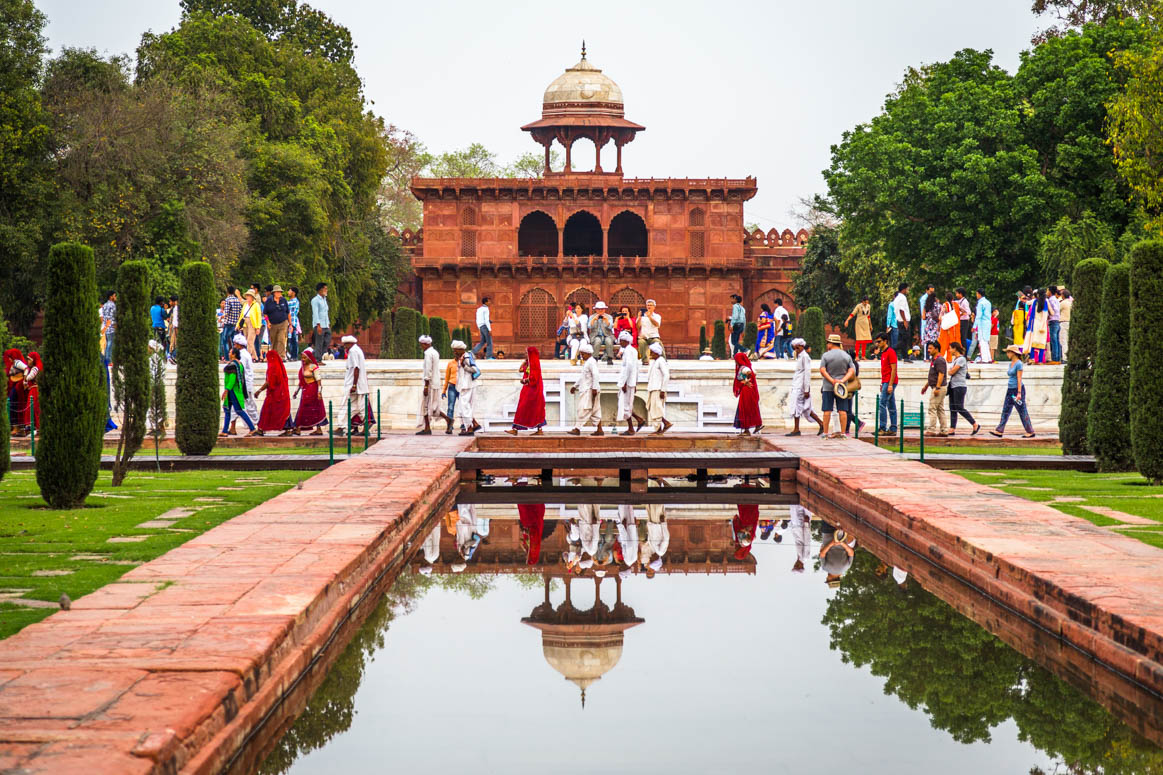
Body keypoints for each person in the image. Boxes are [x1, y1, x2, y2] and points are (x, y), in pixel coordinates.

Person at [991, 344, 1035, 438]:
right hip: (1010, 389)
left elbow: (1019, 378)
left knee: (1022, 410)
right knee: (1006, 409)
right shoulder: (1011, 363)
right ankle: (1000, 430)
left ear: (1013, 353)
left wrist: (1019, 393)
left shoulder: (1019, 364)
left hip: (1016, 390)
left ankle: (1030, 431)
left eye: (1008, 352)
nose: (1007, 354)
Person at [818, 334, 855, 438]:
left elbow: (822, 370)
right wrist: (842, 380)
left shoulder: (826, 355)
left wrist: (832, 380)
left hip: (828, 386)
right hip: (842, 388)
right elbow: (851, 370)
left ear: (830, 343)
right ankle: (843, 433)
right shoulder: (846, 356)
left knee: (827, 410)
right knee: (842, 410)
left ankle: (825, 433)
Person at [787, 338, 823, 436]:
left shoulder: (805, 357)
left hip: (801, 387)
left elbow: (807, 373)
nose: (796, 350)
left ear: (802, 346)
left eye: (797, 348)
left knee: (798, 407)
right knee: (804, 407)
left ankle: (796, 429)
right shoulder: (800, 356)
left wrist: (806, 389)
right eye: (795, 348)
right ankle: (821, 423)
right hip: (797, 384)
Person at [253, 346, 292, 436]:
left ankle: (261, 429)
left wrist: (259, 390)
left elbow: (269, 382)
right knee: (283, 411)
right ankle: (288, 429)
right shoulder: (278, 366)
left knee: (267, 410)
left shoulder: (273, 367)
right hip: (282, 393)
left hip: (275, 394)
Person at [508, 346, 546, 434]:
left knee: (526, 408)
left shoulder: (534, 364)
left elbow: (534, 378)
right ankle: (537, 429)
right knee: (532, 408)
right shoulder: (529, 363)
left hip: (532, 391)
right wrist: (524, 361)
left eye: (527, 353)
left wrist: (524, 380)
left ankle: (515, 429)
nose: (525, 354)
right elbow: (520, 370)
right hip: (528, 389)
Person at [945, 341, 979, 436]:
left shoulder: (961, 359)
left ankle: (974, 423)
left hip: (959, 386)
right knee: (952, 408)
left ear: (955, 349)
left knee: (959, 407)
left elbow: (952, 372)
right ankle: (952, 428)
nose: (949, 350)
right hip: (953, 386)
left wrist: (950, 371)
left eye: (950, 348)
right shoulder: (955, 359)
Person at [219, 348, 255, 437]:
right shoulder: (239, 364)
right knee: (227, 409)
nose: (229, 353)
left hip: (233, 391)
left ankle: (252, 428)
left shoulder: (232, 365)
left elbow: (232, 379)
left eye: (230, 352)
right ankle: (224, 430)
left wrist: (226, 390)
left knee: (238, 410)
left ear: (234, 354)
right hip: (236, 390)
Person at [569, 342, 602, 436]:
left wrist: (594, 388)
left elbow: (596, 375)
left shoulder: (591, 362)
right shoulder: (588, 363)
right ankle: (600, 430)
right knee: (595, 410)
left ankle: (577, 428)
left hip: (590, 390)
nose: (581, 356)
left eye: (583, 354)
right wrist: (575, 386)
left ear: (588, 353)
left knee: (582, 409)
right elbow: (582, 377)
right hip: (588, 389)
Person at [342, 335, 373, 435]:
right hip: (359, 384)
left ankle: (365, 428)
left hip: (357, 385)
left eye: (345, 345)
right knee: (357, 407)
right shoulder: (356, 350)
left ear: (350, 343)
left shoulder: (353, 351)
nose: (345, 347)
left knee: (360, 407)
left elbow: (356, 368)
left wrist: (354, 385)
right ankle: (348, 427)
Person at [615, 331, 644, 435]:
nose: (620, 343)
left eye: (621, 341)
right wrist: (634, 382)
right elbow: (636, 368)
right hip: (630, 382)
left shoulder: (628, 351)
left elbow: (629, 367)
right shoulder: (632, 350)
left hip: (627, 383)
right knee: (625, 404)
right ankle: (639, 419)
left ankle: (631, 428)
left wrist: (624, 383)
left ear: (625, 341)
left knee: (625, 405)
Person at [292, 348, 326, 435]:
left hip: (313, 390)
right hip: (305, 390)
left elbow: (319, 381)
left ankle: (318, 429)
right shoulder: (302, 368)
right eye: (302, 358)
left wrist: (319, 392)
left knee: (315, 409)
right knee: (303, 409)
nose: (303, 360)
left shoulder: (313, 367)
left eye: (304, 358)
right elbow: (301, 382)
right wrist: (296, 392)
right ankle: (298, 427)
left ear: (309, 358)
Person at [230, 334, 259, 431]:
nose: (234, 346)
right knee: (239, 406)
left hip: (244, 384)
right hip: (244, 384)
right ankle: (232, 427)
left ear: (239, 345)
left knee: (249, 406)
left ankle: (258, 424)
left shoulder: (242, 355)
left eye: (235, 344)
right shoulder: (244, 354)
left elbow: (239, 369)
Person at [870, 333, 898, 435]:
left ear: (885, 341)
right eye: (876, 341)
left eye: (879, 341)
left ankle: (882, 427)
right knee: (891, 405)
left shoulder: (890, 352)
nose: (877, 343)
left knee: (882, 403)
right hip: (886, 381)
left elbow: (894, 369)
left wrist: (890, 384)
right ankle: (893, 429)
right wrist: (883, 383)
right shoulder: (883, 353)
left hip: (890, 381)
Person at [452, 341, 481, 436]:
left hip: (467, 385)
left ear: (460, 350)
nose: (454, 352)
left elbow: (475, 369)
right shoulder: (462, 357)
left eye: (455, 351)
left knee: (465, 407)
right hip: (464, 386)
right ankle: (472, 425)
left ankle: (470, 428)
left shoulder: (467, 357)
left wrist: (464, 366)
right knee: (463, 407)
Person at [920, 341, 948, 436]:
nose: (928, 350)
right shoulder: (935, 360)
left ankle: (931, 430)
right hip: (937, 387)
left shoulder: (939, 360)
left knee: (932, 408)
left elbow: (941, 374)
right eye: (928, 348)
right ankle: (944, 430)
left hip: (939, 388)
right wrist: (926, 386)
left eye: (930, 348)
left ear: (936, 349)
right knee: (940, 409)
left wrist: (937, 388)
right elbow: (933, 376)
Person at [732, 351, 762, 435]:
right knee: (752, 407)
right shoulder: (749, 367)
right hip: (751, 390)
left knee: (744, 408)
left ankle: (746, 429)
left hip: (746, 390)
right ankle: (757, 424)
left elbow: (748, 373)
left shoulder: (743, 368)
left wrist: (746, 381)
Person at [416, 334, 441, 435]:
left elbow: (428, 370)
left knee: (426, 405)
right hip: (436, 382)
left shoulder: (427, 354)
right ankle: (448, 420)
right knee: (433, 405)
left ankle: (427, 428)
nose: (421, 347)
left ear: (425, 344)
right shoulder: (435, 352)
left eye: (421, 345)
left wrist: (426, 385)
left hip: (429, 383)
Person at [646, 342, 672, 434]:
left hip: (658, 389)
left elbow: (666, 375)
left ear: (656, 353)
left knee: (657, 409)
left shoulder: (661, 361)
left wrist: (663, 390)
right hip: (652, 388)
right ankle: (660, 427)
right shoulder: (654, 362)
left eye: (652, 352)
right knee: (653, 409)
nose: (650, 354)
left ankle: (663, 425)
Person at [264, 285, 290, 361]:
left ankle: (281, 356)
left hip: (283, 322)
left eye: (280, 292)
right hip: (272, 323)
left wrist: (290, 324)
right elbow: (265, 313)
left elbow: (288, 312)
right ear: (274, 293)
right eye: (277, 292)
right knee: (274, 340)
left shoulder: (284, 300)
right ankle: (274, 356)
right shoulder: (269, 301)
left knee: (281, 339)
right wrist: (268, 322)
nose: (279, 293)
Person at [5, 349, 28, 435]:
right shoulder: (14, 363)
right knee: (13, 403)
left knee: (12, 403)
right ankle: (16, 427)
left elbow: (26, 368)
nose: (9, 359)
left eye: (10, 357)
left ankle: (16, 427)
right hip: (15, 384)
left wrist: (25, 379)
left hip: (19, 385)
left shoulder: (17, 362)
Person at [968, 289, 993, 363]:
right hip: (988, 323)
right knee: (986, 341)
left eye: (977, 294)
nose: (976, 296)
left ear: (979, 294)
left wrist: (974, 326)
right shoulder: (988, 302)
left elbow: (978, 316)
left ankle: (985, 359)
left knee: (982, 341)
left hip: (982, 323)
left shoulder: (980, 303)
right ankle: (988, 358)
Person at [1026, 288, 1049, 364]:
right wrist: (1043, 325)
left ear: (1038, 294)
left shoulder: (1035, 302)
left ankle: (1032, 358)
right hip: (1042, 324)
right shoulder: (1045, 302)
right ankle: (1040, 361)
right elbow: (1045, 315)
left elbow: (1027, 304)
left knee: (1034, 341)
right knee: (1042, 342)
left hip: (1035, 323)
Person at [637, 299, 662, 365]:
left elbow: (657, 325)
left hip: (653, 337)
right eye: (648, 305)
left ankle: (663, 359)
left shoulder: (657, 316)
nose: (649, 306)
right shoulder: (642, 316)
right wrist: (639, 317)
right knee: (641, 342)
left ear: (654, 307)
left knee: (658, 342)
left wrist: (649, 316)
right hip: (644, 337)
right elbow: (637, 326)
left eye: (651, 305)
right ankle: (645, 361)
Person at [239, 289, 262, 360]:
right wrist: (238, 325)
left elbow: (259, 316)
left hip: (253, 323)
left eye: (249, 296)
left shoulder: (256, 305)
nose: (247, 297)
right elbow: (241, 315)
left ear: (252, 297)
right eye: (247, 295)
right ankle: (255, 356)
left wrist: (258, 327)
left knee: (250, 340)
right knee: (247, 341)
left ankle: (248, 357)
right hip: (245, 322)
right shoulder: (245, 304)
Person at [220, 287, 242, 362]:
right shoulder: (237, 300)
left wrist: (221, 317)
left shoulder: (228, 300)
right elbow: (240, 312)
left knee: (225, 340)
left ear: (227, 292)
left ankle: (227, 358)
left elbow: (226, 312)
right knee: (234, 342)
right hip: (235, 324)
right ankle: (234, 357)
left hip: (228, 323)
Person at [441, 341, 458, 434]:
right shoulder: (451, 363)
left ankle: (464, 426)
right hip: (452, 386)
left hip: (461, 387)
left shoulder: (463, 362)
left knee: (464, 408)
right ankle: (449, 427)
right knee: (450, 407)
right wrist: (444, 390)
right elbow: (447, 378)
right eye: (455, 352)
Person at [937, 291, 959, 360]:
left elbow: (941, 315)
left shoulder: (945, 305)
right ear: (952, 298)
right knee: (950, 343)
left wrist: (939, 323)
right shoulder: (955, 304)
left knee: (943, 342)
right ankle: (949, 359)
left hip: (946, 327)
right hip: (952, 327)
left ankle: (940, 356)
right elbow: (963, 311)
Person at [310, 282, 330, 357]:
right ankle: (317, 359)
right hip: (319, 325)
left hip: (326, 324)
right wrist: (318, 325)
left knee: (327, 340)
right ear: (321, 290)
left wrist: (328, 324)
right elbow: (315, 313)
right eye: (325, 289)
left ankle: (314, 355)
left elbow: (325, 313)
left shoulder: (324, 300)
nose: (326, 290)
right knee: (319, 342)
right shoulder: (315, 300)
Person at [893, 283, 911, 361]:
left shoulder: (897, 298)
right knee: (904, 339)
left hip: (899, 321)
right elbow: (901, 310)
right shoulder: (902, 298)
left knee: (902, 339)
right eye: (907, 289)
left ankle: (905, 357)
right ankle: (892, 349)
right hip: (903, 321)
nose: (907, 291)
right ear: (904, 289)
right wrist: (905, 321)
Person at [921, 292, 940, 358]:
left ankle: (926, 357)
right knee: (935, 341)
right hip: (935, 325)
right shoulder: (938, 305)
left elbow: (923, 317)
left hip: (928, 326)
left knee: (928, 342)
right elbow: (940, 316)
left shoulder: (926, 306)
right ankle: (934, 356)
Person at [100, 290, 117, 363]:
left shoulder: (105, 305)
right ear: (111, 297)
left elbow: (104, 317)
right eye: (114, 295)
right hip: (111, 328)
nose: (115, 297)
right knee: (110, 344)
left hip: (106, 328)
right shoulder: (112, 305)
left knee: (107, 344)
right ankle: (108, 360)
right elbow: (114, 317)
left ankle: (104, 360)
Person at [1047, 284, 1062, 364]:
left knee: (1054, 340)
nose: (1047, 292)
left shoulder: (1051, 300)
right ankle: (1058, 358)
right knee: (1056, 340)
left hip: (1053, 321)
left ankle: (1055, 359)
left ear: (1050, 291)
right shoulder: (1055, 299)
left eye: (1047, 290)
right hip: (1057, 321)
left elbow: (1055, 309)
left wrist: (1050, 314)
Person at [286, 287, 300, 360]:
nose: (288, 292)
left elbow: (286, 305)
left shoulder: (294, 301)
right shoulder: (291, 301)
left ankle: (294, 356)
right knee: (291, 340)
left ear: (293, 293)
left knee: (293, 340)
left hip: (292, 322)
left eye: (289, 290)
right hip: (290, 323)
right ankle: (292, 356)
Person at [1059, 289, 1072, 361]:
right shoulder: (1071, 302)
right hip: (1070, 322)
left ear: (1063, 295)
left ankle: (1065, 357)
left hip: (1063, 322)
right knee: (1068, 340)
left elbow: (1057, 310)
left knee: (1063, 340)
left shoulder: (1063, 303)